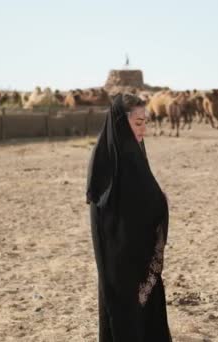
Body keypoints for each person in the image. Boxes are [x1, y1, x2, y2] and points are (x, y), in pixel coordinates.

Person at [86, 93, 172, 341]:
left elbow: (144, 193)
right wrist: (156, 201)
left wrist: (158, 200)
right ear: (121, 123)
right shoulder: (106, 159)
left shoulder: (134, 152)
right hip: (117, 254)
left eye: (145, 121)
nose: (143, 129)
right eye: (137, 123)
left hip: (138, 249)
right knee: (123, 310)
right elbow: (107, 210)